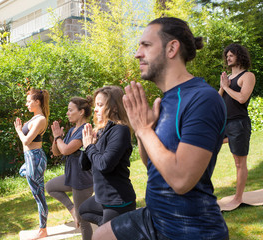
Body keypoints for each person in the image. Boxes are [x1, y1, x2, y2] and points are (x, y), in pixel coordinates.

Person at [92, 17, 229, 240]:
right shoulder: (164, 102)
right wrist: (141, 129)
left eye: (146, 45)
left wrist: (145, 130)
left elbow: (181, 180)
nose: (137, 53)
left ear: (172, 48)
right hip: (155, 218)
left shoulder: (203, 99)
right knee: (100, 236)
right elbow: (151, 163)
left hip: (191, 229)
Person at [78, 86, 136, 227]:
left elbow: (104, 165)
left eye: (100, 105)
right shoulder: (102, 131)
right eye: (95, 105)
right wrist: (87, 146)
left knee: (103, 236)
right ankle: (108, 227)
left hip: (117, 200)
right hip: (103, 198)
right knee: (83, 211)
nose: (95, 109)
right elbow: (84, 165)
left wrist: (90, 147)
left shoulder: (120, 131)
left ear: (115, 108)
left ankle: (110, 229)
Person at [45, 96, 94, 240]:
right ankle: (73, 209)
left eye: (70, 110)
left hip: (82, 180)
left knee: (83, 221)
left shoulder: (85, 129)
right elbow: (56, 152)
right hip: (71, 176)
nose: (67, 113)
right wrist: (56, 138)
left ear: (81, 112)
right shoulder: (73, 130)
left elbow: (66, 150)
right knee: (50, 186)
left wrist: (59, 138)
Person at [218, 43, 256, 210]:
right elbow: (218, 101)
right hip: (223, 124)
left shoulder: (247, 76)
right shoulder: (227, 79)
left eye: (231, 54)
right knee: (204, 150)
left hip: (238, 124)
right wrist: (222, 87)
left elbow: (242, 98)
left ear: (239, 56)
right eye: (227, 55)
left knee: (239, 163)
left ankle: (238, 198)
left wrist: (226, 87)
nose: (228, 57)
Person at [14, 88, 50, 239]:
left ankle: (43, 229)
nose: (27, 104)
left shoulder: (41, 119)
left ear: (37, 102)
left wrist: (18, 131)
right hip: (30, 159)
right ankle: (43, 228)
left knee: (39, 196)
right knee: (24, 173)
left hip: (35, 158)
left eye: (29, 101)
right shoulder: (34, 118)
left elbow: (27, 140)